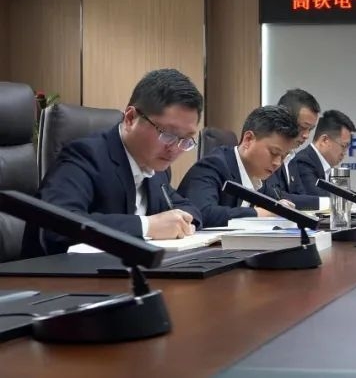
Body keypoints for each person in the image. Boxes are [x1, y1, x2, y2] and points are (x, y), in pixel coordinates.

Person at [28, 69, 204, 256]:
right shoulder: (85, 156)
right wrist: (148, 226)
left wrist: (184, 220)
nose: (175, 149)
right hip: (61, 271)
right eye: (167, 134)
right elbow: (58, 224)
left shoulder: (157, 168)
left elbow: (187, 207)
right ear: (130, 118)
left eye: (186, 139)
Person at [178, 106, 299, 228]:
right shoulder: (212, 166)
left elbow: (275, 202)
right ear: (248, 139)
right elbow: (201, 213)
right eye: (274, 152)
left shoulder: (260, 175)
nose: (277, 163)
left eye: (283, 157)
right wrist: (260, 213)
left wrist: (280, 206)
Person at [265, 88, 322, 208]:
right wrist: (327, 203)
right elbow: (275, 196)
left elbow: (300, 195)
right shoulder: (267, 153)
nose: (306, 135)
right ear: (284, 119)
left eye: (310, 129)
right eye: (303, 127)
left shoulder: (291, 157)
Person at [288, 110, 356, 197]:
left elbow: (343, 193)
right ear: (324, 140)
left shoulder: (328, 168)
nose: (345, 153)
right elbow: (317, 197)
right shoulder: (303, 162)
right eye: (343, 146)